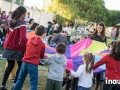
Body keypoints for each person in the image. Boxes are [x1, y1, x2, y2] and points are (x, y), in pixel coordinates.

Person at [0, 6, 27, 90]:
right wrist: (29, 43)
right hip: (17, 48)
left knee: (10, 65)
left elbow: (8, 33)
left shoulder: (10, 21)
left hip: (8, 46)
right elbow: (22, 38)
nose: (25, 15)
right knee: (21, 65)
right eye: (25, 13)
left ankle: (2, 86)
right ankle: (15, 86)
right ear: (22, 14)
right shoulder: (22, 23)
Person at [13, 25, 46, 90]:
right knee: (33, 83)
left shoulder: (29, 40)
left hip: (25, 62)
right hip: (33, 64)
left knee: (20, 79)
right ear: (43, 34)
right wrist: (44, 56)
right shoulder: (42, 44)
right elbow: (41, 56)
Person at [91, 22, 107, 90]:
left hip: (100, 56)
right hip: (93, 55)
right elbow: (90, 44)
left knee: (98, 71)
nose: (99, 29)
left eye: (100, 28)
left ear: (103, 29)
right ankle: (91, 81)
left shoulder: (104, 37)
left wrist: (103, 45)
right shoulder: (93, 35)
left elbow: (105, 48)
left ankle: (97, 85)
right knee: (92, 69)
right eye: (98, 27)